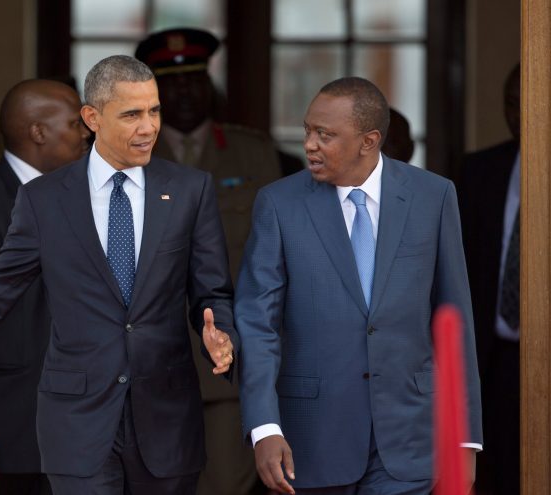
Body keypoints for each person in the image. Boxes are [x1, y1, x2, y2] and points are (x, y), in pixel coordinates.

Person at [0, 55, 236, 495]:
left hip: (166, 422)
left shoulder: (191, 190)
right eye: (132, 114)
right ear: (92, 118)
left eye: (154, 111)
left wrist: (222, 333)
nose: (149, 126)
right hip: (78, 427)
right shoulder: (44, 199)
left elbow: (213, 292)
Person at [235, 77, 482, 494]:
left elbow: (454, 321)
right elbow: (258, 324)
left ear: (369, 141)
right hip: (311, 443)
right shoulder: (278, 204)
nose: (310, 144)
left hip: (410, 441)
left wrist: (465, 438)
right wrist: (264, 426)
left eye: (325, 134)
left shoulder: (433, 196)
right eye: (308, 131)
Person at [135, 27, 281, 495]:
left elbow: (275, 257)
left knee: (222, 483)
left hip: (227, 361)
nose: (183, 94)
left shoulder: (252, 152)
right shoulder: (126, 155)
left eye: (193, 81)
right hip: (148, 357)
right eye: (170, 84)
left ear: (209, 86)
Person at [0, 79, 90, 494]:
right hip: (12, 430)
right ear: (38, 132)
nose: (85, 133)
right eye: (74, 123)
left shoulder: (68, 195)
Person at [458, 63, 520, 495]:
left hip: (543, 356)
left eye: (529, 103)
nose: (519, 115)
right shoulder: (479, 170)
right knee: (493, 472)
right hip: (490, 358)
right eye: (511, 104)